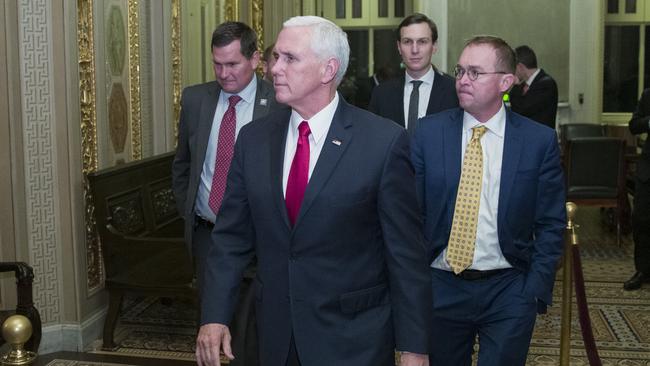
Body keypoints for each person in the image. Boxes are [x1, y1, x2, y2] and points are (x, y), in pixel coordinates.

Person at [195, 15, 432, 366]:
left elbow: (405, 255)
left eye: (290, 58)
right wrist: (214, 315)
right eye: (276, 57)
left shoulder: (382, 142)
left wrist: (414, 347)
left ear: (327, 70)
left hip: (353, 339)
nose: (275, 68)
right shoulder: (255, 140)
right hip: (273, 335)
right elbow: (230, 238)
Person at [411, 36, 566, 365]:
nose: (463, 80)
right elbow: (411, 213)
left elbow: (551, 223)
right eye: (460, 71)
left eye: (476, 73)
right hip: (441, 286)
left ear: (506, 82)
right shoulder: (428, 134)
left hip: (508, 289)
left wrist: (532, 290)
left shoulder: (538, 141)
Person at [171, 21, 281, 292]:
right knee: (211, 316)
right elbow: (183, 162)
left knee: (258, 318)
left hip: (262, 234)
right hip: (208, 233)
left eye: (232, 64)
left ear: (255, 59)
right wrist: (189, 213)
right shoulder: (195, 99)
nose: (224, 73)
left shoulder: (280, 103)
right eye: (217, 64)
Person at [369, 13, 458, 130]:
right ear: (399, 47)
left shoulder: (455, 91)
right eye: (407, 42)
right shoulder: (382, 94)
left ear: (434, 46)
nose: (415, 50)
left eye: (422, 41)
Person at [624, 89, 650, 290]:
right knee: (641, 220)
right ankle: (642, 269)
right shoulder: (648, 94)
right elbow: (634, 125)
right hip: (647, 171)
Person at [508, 45, 559, 130]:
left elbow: (520, 110)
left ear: (520, 66)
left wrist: (515, 85)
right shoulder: (523, 85)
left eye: (513, 67)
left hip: (541, 138)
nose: (513, 71)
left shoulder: (546, 84)